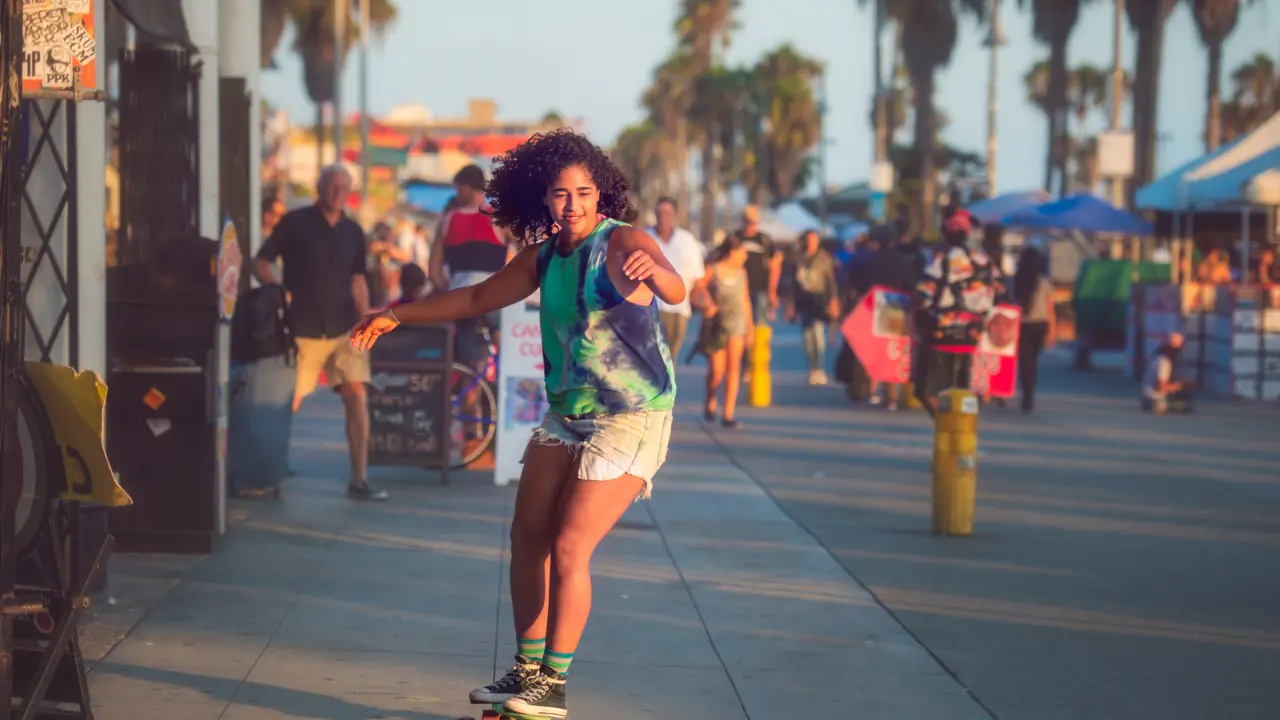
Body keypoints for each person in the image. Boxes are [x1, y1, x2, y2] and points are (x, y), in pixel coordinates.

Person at [350, 129, 684, 719]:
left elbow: (677, 287)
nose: (573, 204)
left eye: (583, 192)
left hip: (632, 415)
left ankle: (552, 685)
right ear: (543, 199)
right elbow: (477, 299)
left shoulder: (623, 239)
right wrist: (396, 315)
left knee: (569, 543)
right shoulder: (542, 257)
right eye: (560, 194)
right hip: (568, 412)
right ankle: (527, 670)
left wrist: (656, 275)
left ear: (600, 194)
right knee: (526, 536)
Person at [253, 165, 386, 501]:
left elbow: (358, 279)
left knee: (357, 396)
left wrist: (366, 319)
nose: (337, 192)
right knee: (289, 401)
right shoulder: (295, 223)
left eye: (344, 187)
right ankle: (269, 474)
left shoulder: (354, 232)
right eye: (332, 185)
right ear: (320, 187)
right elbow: (261, 261)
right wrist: (278, 290)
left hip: (346, 328)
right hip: (303, 328)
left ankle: (359, 478)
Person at [912, 208, 1000, 416]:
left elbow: (923, 294)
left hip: (942, 335)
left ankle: (946, 424)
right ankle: (964, 426)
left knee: (926, 390)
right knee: (965, 391)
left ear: (946, 233)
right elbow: (999, 292)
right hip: (972, 336)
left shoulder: (941, 260)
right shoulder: (984, 260)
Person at [690, 235, 753, 428]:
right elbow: (696, 288)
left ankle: (728, 413)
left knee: (734, 368)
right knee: (717, 369)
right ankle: (710, 399)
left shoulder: (742, 273)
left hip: (737, 325)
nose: (745, 255)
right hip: (716, 326)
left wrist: (750, 329)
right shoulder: (714, 270)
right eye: (742, 251)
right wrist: (707, 304)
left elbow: (745, 300)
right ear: (733, 252)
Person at [646, 196, 705, 359]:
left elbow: (698, 278)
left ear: (675, 215)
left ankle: (665, 384)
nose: (663, 216)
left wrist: (705, 303)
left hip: (678, 309)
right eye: (660, 212)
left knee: (669, 359)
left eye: (668, 213)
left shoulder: (686, 241)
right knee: (650, 357)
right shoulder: (644, 237)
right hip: (649, 308)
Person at [733, 205, 782, 379]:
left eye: (753, 222)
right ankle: (743, 365)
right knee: (741, 330)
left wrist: (772, 292)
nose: (750, 226)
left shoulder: (764, 240)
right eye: (747, 221)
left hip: (759, 291)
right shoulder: (735, 238)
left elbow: (775, 265)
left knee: (759, 329)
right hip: (737, 292)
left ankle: (757, 364)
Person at [786, 229, 840, 385]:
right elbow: (792, 283)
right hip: (803, 300)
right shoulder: (798, 258)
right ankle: (812, 368)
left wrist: (834, 300)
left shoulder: (825, 258)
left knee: (818, 334)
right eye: (808, 241)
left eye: (814, 241)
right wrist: (790, 304)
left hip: (819, 299)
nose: (811, 244)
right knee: (807, 336)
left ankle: (819, 368)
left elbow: (831, 281)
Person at [1011, 246, 1056, 414]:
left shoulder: (1016, 281)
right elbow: (1050, 308)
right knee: (1033, 361)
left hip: (1021, 325)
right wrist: (1052, 331)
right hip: (1040, 324)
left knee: (1025, 361)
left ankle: (1026, 395)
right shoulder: (1045, 283)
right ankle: (1030, 394)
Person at [1143, 332, 1193, 414]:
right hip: (1155, 400)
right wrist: (1180, 386)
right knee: (1187, 403)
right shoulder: (1164, 362)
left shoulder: (1156, 358)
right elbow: (1161, 387)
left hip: (1147, 398)